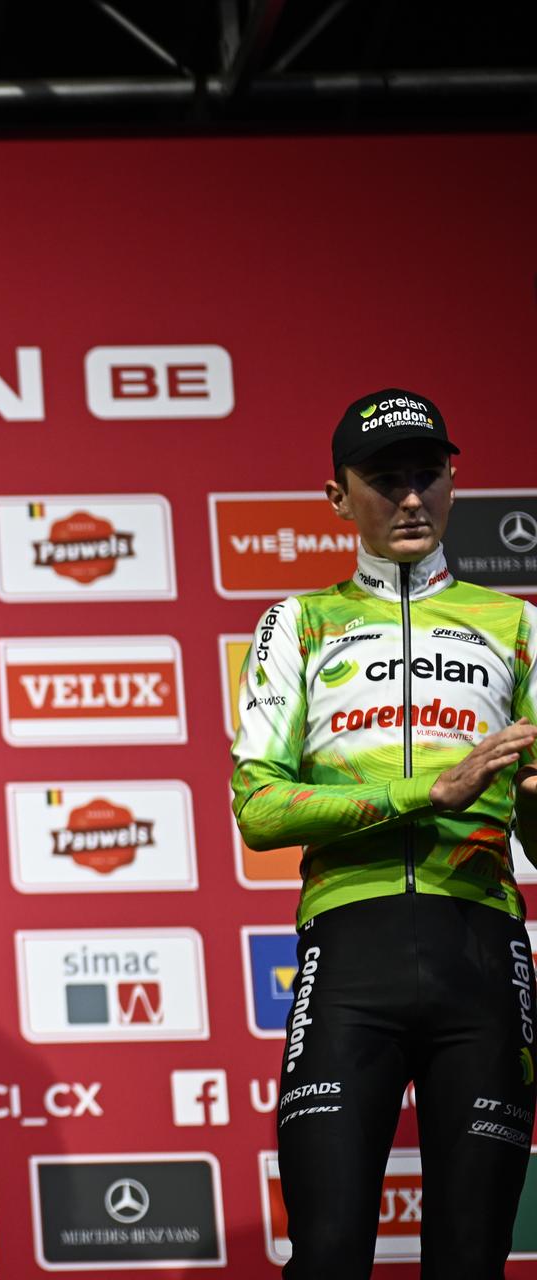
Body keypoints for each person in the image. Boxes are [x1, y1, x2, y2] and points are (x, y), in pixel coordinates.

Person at [231, 389, 537, 1277]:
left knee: (472, 1258)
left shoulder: (517, 625)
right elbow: (259, 810)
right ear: (339, 498)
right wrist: (425, 790)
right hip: (347, 955)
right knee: (326, 1255)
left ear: (453, 480)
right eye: (384, 479)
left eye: (426, 474)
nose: (410, 497)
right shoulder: (298, 623)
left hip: (482, 949)